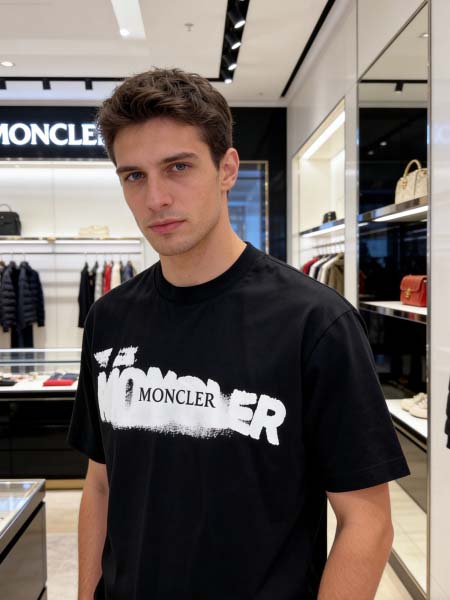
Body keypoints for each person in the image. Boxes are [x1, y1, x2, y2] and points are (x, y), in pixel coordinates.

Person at [68, 68, 410, 600]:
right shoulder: (109, 319)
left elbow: (366, 521)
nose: (155, 198)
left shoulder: (315, 322)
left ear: (227, 168)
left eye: (178, 167)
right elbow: (100, 483)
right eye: (133, 175)